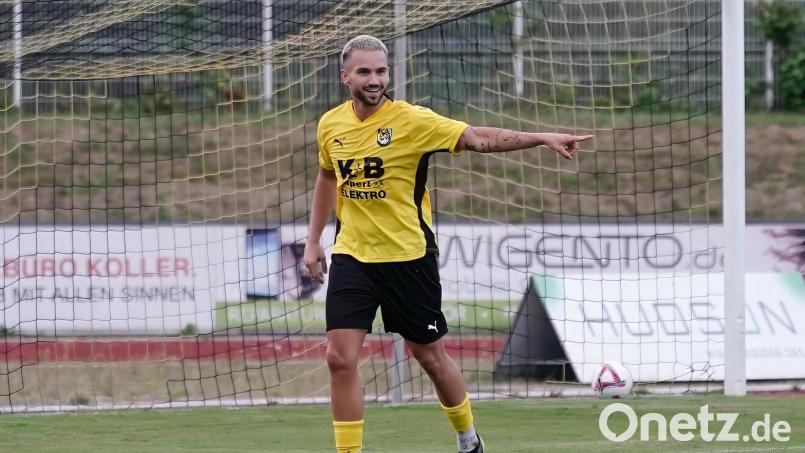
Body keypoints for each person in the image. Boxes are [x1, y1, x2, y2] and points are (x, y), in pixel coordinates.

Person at [304, 34, 593, 453]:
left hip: (408, 258)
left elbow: (479, 138)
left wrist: (542, 136)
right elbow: (328, 177)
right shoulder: (330, 124)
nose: (374, 79)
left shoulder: (413, 121)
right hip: (353, 255)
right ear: (344, 76)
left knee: (431, 359)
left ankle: (468, 438)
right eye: (364, 71)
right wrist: (313, 241)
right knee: (339, 358)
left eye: (381, 71)